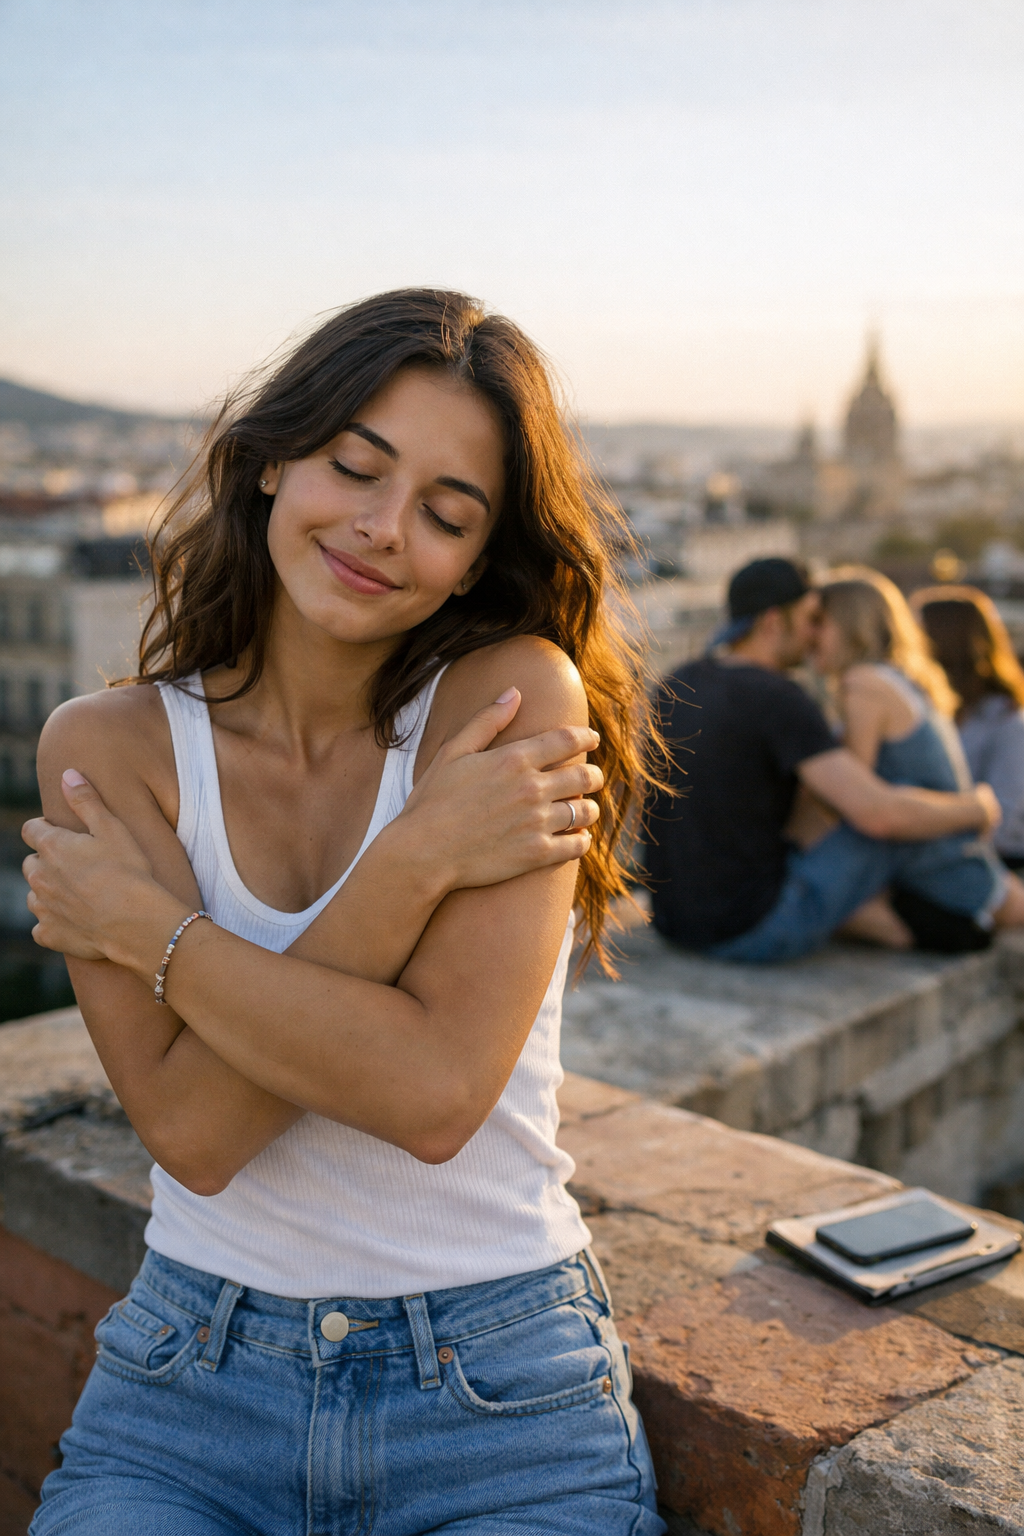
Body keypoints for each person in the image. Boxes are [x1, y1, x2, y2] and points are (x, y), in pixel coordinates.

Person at [21, 289, 667, 1535]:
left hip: (499, 1397)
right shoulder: (106, 748)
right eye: (352, 468)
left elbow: (432, 1094)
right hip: (186, 1396)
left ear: (480, 558)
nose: (380, 529)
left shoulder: (510, 700)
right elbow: (196, 1136)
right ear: (270, 463)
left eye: (444, 512)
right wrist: (415, 861)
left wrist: (154, 937)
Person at [645, 557, 1009, 964]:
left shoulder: (677, 682)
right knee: (899, 816)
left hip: (673, 921)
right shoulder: (779, 697)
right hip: (752, 930)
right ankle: (975, 913)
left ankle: (923, 922)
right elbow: (878, 816)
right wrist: (975, 808)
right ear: (772, 622)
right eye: (809, 618)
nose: (814, 634)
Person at [814, 568, 1023, 948]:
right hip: (958, 869)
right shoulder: (900, 679)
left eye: (819, 623)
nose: (811, 636)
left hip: (943, 881)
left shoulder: (863, 684)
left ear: (848, 625)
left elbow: (851, 797)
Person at [914, 585, 1024, 870]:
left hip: (993, 861)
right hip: (932, 853)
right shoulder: (921, 707)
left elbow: (1005, 815)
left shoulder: (1005, 719)